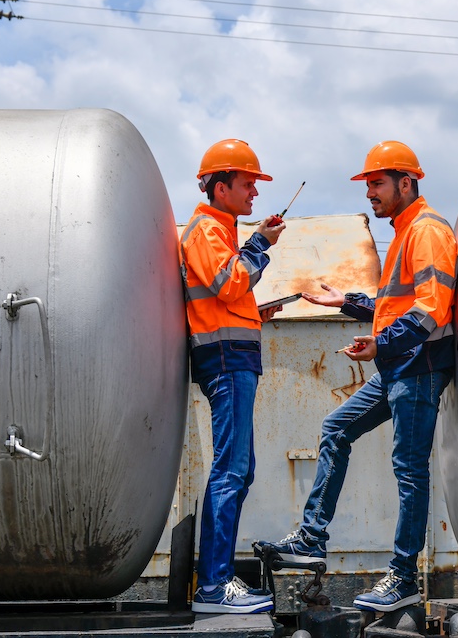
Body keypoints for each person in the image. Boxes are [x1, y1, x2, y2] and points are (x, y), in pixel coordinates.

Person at [260, 141, 458, 612]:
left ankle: (404, 577)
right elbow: (394, 308)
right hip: (399, 368)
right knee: (336, 428)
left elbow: (431, 309)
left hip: (419, 370)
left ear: (405, 183)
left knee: (409, 471)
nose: (369, 192)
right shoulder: (407, 230)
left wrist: (381, 345)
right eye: (368, 184)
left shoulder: (427, 231)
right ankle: (311, 538)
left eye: (376, 183)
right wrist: (346, 303)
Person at [180, 139, 287, 614]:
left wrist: (254, 308)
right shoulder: (207, 231)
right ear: (220, 187)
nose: (254, 194)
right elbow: (230, 283)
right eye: (248, 184)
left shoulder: (218, 231)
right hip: (226, 361)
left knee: (239, 471)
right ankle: (214, 587)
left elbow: (227, 292)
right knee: (231, 471)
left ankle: (217, 582)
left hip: (232, 358)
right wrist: (261, 242)